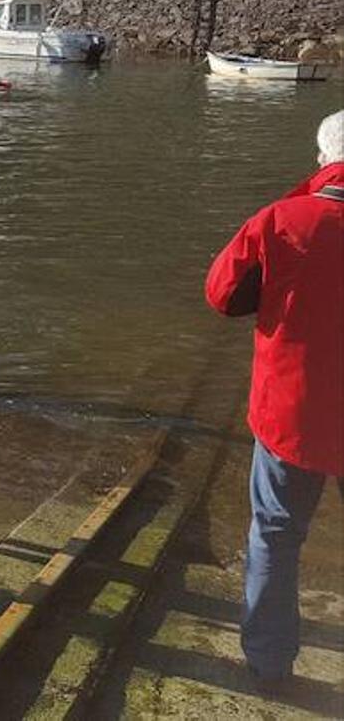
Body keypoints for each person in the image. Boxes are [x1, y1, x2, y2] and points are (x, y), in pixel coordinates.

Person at [205, 110, 344, 689]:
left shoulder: (284, 219)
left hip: (294, 412)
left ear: (324, 159)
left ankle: (268, 663)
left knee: (276, 536)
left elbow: (222, 294)